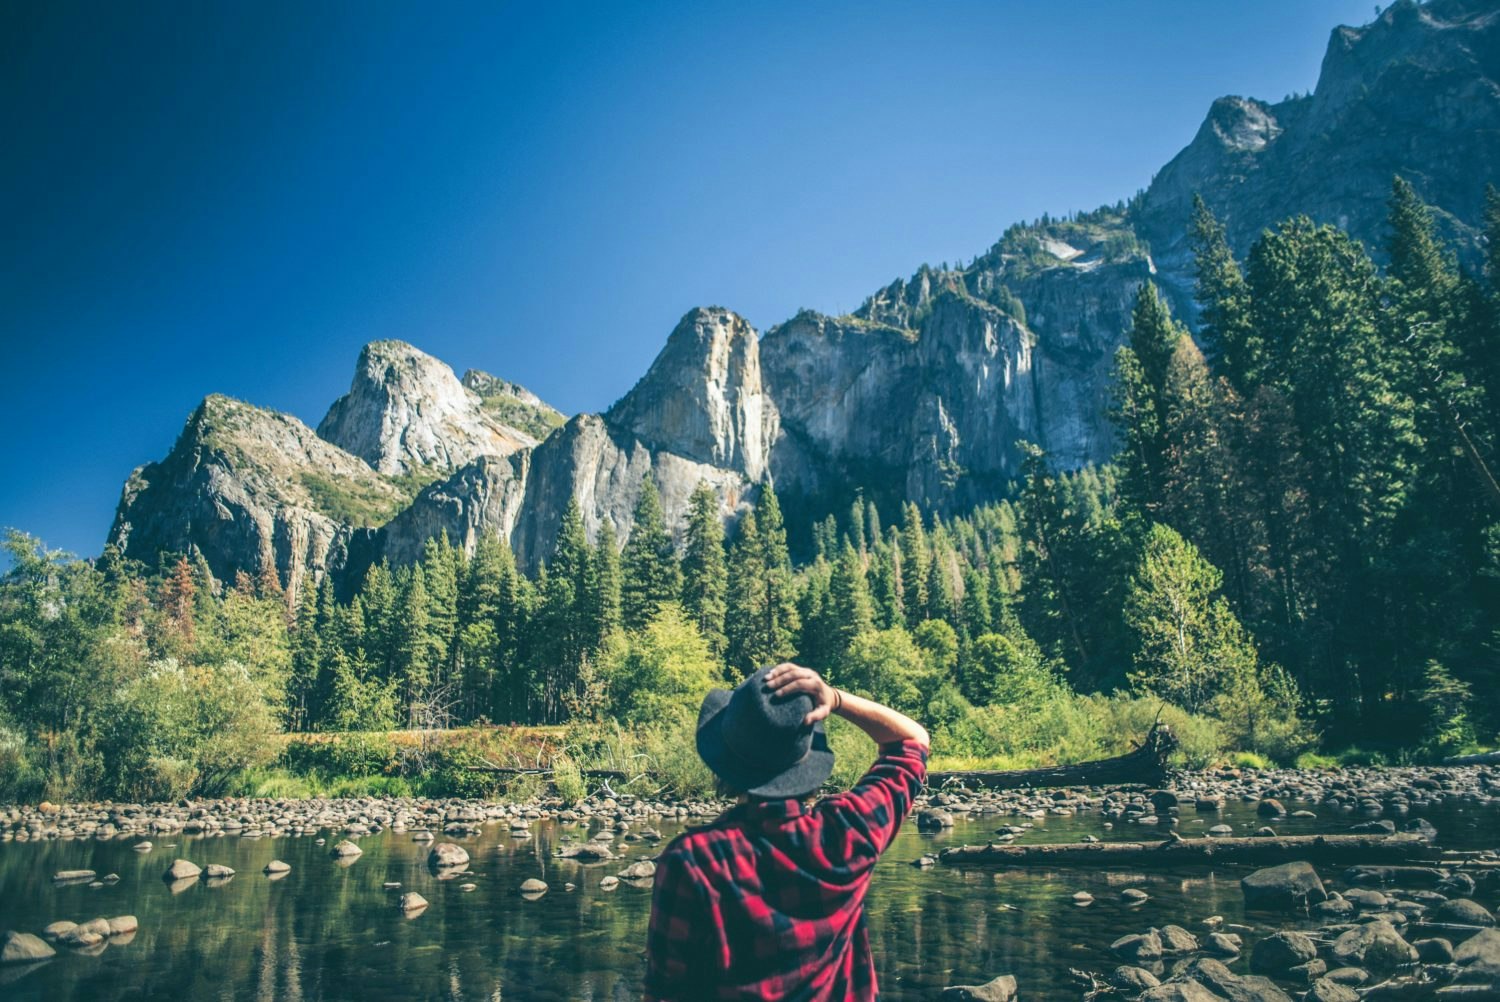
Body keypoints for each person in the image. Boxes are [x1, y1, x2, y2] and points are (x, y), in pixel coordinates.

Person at [644, 662, 930, 1001]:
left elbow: (666, 992)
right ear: (806, 759)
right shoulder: (849, 831)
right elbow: (912, 740)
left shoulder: (694, 861)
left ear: (727, 762)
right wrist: (835, 699)